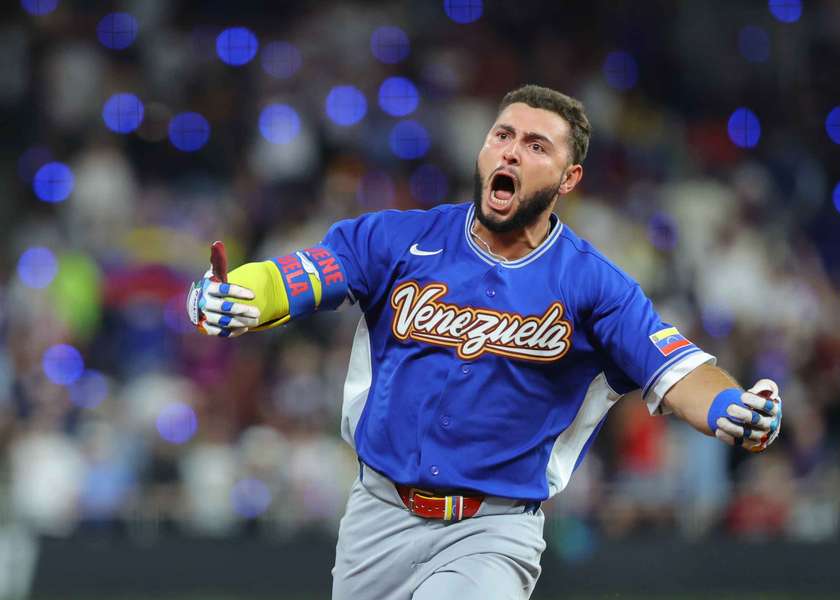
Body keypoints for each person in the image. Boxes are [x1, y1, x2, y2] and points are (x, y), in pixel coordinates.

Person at [186, 84, 783, 600]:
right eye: (503, 135)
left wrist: (730, 406)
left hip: (492, 529)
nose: (512, 152)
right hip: (377, 514)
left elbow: (675, 368)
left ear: (568, 178)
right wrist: (232, 294)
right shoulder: (400, 239)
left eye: (535, 146)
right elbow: (306, 274)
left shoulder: (592, 284)